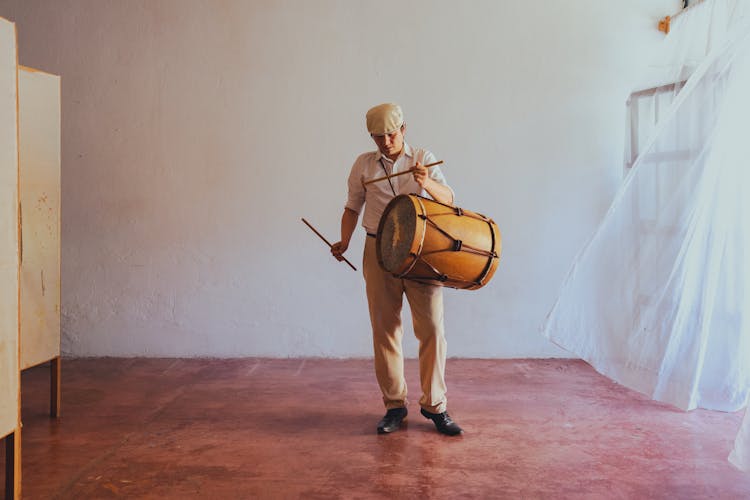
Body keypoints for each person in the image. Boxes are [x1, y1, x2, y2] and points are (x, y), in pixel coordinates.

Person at [331, 103, 463, 436]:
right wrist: (344, 241)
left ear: (404, 129)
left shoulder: (423, 157)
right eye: (379, 136)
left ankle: (436, 405)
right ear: (371, 136)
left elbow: (449, 199)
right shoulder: (363, 165)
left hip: (421, 251)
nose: (386, 141)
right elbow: (351, 207)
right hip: (378, 248)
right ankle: (394, 405)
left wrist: (426, 182)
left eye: (392, 134)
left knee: (432, 328)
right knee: (385, 329)